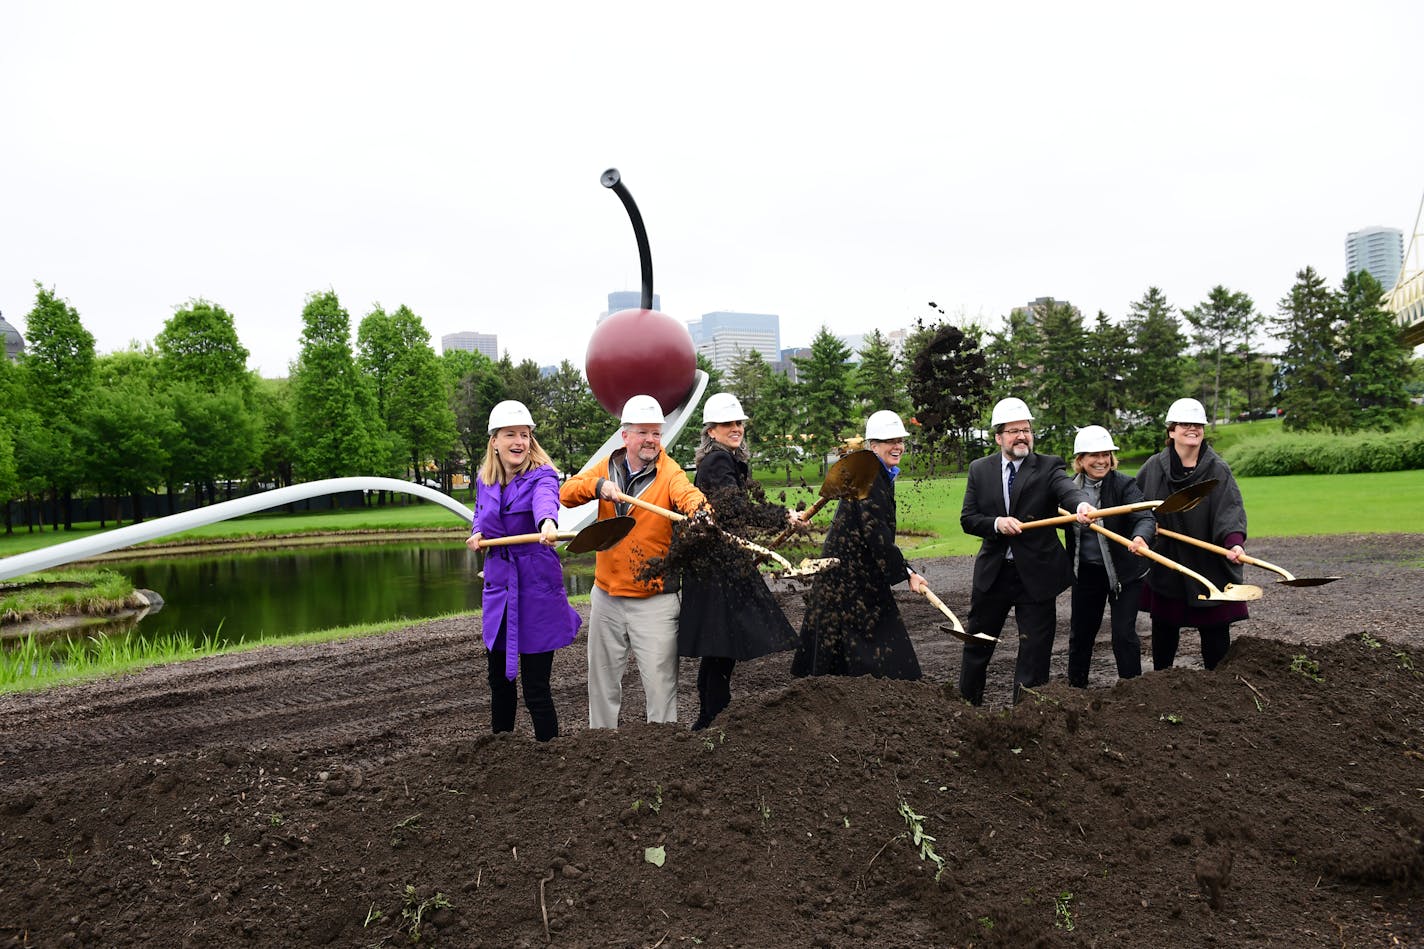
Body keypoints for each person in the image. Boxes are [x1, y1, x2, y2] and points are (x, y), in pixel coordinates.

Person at [559, 394, 708, 728]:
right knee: (601, 685)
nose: (651, 440)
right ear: (625, 436)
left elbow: (688, 495)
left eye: (656, 433)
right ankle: (601, 746)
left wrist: (700, 513)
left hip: (654, 602)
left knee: (660, 688)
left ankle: (662, 753)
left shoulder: (670, 473)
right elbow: (566, 493)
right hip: (607, 597)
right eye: (643, 432)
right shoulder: (607, 466)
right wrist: (598, 487)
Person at [958, 397, 1094, 706]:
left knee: (1034, 650)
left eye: (1027, 430)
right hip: (994, 575)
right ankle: (966, 708)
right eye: (1014, 430)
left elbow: (1067, 490)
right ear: (998, 437)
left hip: (1036, 575)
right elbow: (969, 519)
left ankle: (1025, 715)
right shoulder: (980, 470)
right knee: (977, 645)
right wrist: (996, 524)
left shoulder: (1048, 465)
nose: (1022, 436)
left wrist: (1081, 504)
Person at [678, 393, 799, 730]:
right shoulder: (718, 462)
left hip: (720, 563)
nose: (736, 428)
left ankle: (711, 715)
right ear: (711, 430)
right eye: (727, 424)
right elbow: (735, 510)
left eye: (738, 423)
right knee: (720, 644)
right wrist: (782, 515)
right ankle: (711, 718)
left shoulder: (725, 459)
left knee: (719, 646)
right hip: (717, 569)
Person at [466, 400, 582, 742]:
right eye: (511, 435)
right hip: (499, 589)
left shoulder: (542, 474)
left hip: (535, 588)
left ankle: (550, 756)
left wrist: (548, 522)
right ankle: (502, 750)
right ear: (495, 441)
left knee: (535, 687)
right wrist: (476, 533)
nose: (519, 442)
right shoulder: (485, 480)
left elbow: (547, 501)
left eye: (525, 435)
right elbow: (480, 514)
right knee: (499, 682)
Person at [791, 410, 929, 680]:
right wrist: (907, 572)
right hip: (850, 577)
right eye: (889, 441)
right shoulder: (870, 478)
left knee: (836, 646)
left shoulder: (872, 474)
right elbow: (877, 536)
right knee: (874, 646)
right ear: (873, 446)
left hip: (850, 574)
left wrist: (905, 569)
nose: (897, 446)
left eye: (900, 440)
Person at [1135, 398, 1248, 671]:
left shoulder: (1217, 469)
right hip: (1168, 560)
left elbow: (1229, 510)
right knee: (1164, 628)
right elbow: (1138, 508)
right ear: (1171, 431)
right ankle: (1162, 683)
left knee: (1215, 633)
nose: (1193, 429)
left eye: (1198, 425)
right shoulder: (1153, 468)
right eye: (1185, 424)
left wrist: (1234, 544)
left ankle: (1218, 688)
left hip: (1208, 562)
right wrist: (1141, 534)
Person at [1063, 425, 1154, 688]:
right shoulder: (1068, 489)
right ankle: (1076, 689)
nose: (1101, 461)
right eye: (1094, 455)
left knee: (1123, 635)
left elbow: (1144, 516)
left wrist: (1141, 537)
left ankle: (1132, 690)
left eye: (1106, 454)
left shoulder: (1125, 484)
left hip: (1124, 573)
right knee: (1081, 635)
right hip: (1087, 573)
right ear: (1080, 459)